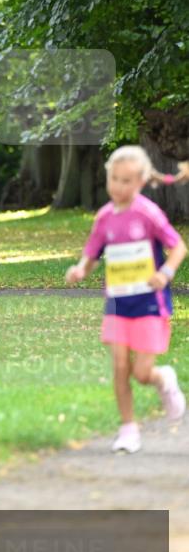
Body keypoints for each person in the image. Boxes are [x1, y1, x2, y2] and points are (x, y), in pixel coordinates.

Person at [65, 145, 187, 453]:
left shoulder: (148, 213)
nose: (118, 187)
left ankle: (163, 379)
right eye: (114, 179)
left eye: (126, 181)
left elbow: (178, 247)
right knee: (120, 366)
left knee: (141, 373)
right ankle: (128, 428)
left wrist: (165, 273)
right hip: (117, 304)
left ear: (141, 182)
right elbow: (91, 255)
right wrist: (81, 270)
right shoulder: (104, 217)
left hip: (149, 304)